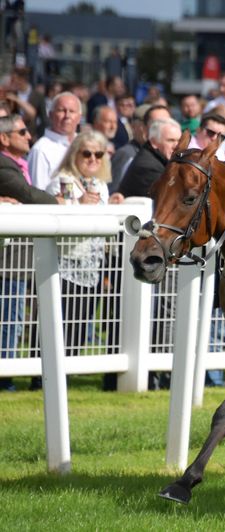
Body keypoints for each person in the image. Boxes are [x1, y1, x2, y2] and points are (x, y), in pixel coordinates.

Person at [45, 131, 123, 359]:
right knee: (58, 323)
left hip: (93, 266)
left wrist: (112, 205)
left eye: (99, 154)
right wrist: (78, 203)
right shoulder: (61, 181)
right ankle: (41, 378)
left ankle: (69, 372)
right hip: (64, 266)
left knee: (80, 324)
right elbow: (57, 220)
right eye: (87, 153)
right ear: (74, 155)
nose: (93, 159)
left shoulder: (100, 184)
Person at [0, 115, 60, 391]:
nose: (28, 136)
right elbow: (26, 193)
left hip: (19, 258)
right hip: (9, 262)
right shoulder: (3, 164)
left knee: (15, 320)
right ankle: (5, 378)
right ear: (4, 138)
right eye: (22, 131)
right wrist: (61, 202)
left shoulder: (16, 164)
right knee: (9, 321)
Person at [27, 92, 82, 193]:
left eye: (72, 111)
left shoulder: (85, 145)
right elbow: (38, 195)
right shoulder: (41, 150)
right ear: (50, 115)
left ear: (79, 117)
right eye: (62, 110)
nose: (67, 115)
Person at [118, 118, 182, 198]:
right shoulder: (147, 167)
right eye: (170, 140)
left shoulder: (163, 160)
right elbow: (173, 197)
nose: (177, 146)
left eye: (179, 141)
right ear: (154, 142)